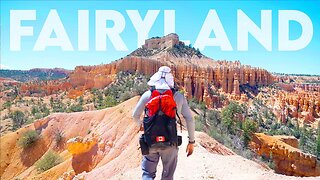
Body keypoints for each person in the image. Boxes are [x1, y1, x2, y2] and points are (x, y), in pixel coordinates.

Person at [132, 66, 195, 180]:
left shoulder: (147, 95)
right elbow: (189, 119)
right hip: (170, 141)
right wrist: (191, 141)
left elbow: (135, 116)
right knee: (168, 176)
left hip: (150, 141)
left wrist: (143, 126)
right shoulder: (179, 97)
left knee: (147, 174)